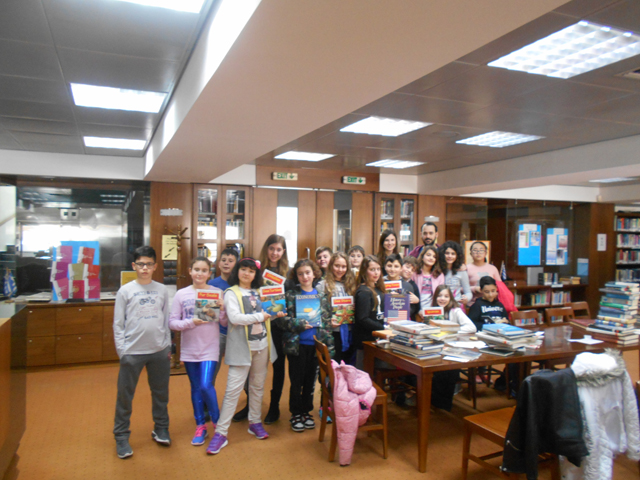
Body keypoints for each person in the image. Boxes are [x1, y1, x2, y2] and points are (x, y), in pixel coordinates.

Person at [207, 258, 285, 455]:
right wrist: (261, 316)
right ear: (238, 271)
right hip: (241, 348)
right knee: (233, 390)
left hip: (262, 346)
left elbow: (268, 313)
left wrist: (276, 313)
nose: (247, 274)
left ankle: (255, 422)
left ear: (255, 274)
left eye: (251, 271)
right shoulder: (231, 292)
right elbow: (235, 318)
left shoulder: (260, 292)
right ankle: (221, 433)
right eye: (243, 269)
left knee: (257, 386)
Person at [113, 246, 171, 459]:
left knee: (161, 394)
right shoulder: (125, 291)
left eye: (148, 264)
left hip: (159, 351)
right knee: (125, 396)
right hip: (132, 352)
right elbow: (118, 324)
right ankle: (121, 436)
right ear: (134, 266)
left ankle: (161, 428)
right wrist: (123, 351)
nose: (144, 268)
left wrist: (167, 346)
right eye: (140, 264)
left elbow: (166, 320)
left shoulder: (162, 290)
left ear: (155, 266)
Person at [169, 257, 227, 446]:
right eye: (196, 269)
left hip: (210, 347)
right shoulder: (181, 294)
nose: (199, 273)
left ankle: (218, 426)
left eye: (204, 270)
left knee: (205, 385)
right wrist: (190, 322)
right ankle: (200, 426)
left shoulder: (216, 292)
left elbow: (224, 322)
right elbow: (172, 323)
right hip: (190, 348)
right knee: (195, 387)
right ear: (190, 271)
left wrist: (223, 309)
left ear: (209, 273)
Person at [278, 259, 334, 432]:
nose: (305, 277)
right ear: (296, 276)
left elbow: (327, 323)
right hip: (297, 346)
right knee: (297, 381)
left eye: (308, 273)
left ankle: (306, 411)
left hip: (315, 347)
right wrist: (298, 323)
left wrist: (329, 348)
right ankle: (296, 413)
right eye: (300, 274)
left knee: (310, 381)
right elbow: (281, 321)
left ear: (314, 273)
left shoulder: (322, 297)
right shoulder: (290, 295)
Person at [256, 234, 290, 425]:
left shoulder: (289, 273)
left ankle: (274, 406)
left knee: (278, 366)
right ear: (266, 249)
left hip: (279, 327)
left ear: (283, 252)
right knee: (254, 365)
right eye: (271, 249)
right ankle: (251, 403)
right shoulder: (257, 270)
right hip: (258, 324)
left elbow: (291, 299)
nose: (275, 253)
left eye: (278, 250)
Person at [429, 285, 477, 410]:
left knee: (449, 371)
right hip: (435, 347)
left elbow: (472, 327)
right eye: (439, 296)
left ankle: (445, 404)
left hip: (452, 348)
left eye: (446, 296)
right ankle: (434, 401)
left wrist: (452, 331)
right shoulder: (431, 311)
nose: (442, 299)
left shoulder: (455, 310)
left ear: (450, 298)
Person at [316, 252, 357, 364]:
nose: (340, 269)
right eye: (337, 266)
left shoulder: (352, 284)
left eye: (343, 267)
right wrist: (327, 321)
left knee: (348, 366)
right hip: (332, 333)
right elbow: (316, 311)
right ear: (331, 266)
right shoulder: (322, 285)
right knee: (333, 366)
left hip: (349, 331)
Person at [207, 248, 239, 385]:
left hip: (236, 331)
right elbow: (207, 313)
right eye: (223, 260)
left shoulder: (240, 284)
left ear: (236, 264)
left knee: (239, 369)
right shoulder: (211, 284)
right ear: (218, 263)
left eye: (230, 261)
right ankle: (208, 394)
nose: (226, 263)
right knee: (213, 368)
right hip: (217, 332)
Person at [353, 255, 386, 370]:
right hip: (366, 340)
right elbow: (363, 319)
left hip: (377, 338)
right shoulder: (364, 292)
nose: (376, 273)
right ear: (364, 271)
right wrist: (383, 328)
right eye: (372, 269)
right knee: (365, 373)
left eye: (378, 269)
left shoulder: (378, 289)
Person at [383, 253, 420, 321]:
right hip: (383, 320)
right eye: (389, 266)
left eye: (396, 266)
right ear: (385, 267)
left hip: (401, 320)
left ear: (401, 268)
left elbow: (413, 308)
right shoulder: (379, 284)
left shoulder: (408, 286)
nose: (392, 269)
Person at [466, 241, 501, 305]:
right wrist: (474, 289)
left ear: (485, 253)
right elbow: (460, 288)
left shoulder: (492, 268)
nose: (478, 252)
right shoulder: (466, 268)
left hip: (490, 303)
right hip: (473, 304)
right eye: (475, 250)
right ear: (471, 253)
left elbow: (500, 286)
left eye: (481, 250)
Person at [438, 241, 471, 305]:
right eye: (447, 253)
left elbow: (468, 292)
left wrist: (466, 298)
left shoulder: (461, 271)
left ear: (457, 256)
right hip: (440, 305)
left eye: (453, 254)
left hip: (456, 305)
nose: (450, 256)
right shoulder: (437, 270)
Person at [413, 245, 444, 311]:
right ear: (422, 257)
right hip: (416, 308)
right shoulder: (414, 273)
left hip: (432, 310)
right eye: (428, 255)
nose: (431, 258)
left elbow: (440, 294)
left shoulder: (440, 275)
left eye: (434, 257)